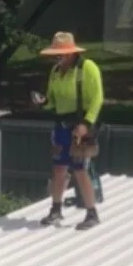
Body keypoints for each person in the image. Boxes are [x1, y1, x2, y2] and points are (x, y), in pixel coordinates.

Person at [32, 31, 104, 230]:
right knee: (58, 169)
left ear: (72, 53)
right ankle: (56, 210)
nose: (58, 57)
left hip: (79, 127)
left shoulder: (87, 68)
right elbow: (52, 100)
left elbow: (97, 98)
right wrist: (43, 102)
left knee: (80, 169)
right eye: (56, 53)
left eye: (62, 53)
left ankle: (92, 213)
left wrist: (86, 124)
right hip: (60, 126)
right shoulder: (55, 71)